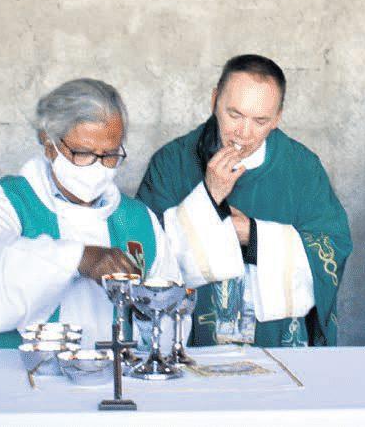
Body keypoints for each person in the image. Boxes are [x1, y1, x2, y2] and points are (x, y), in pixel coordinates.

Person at [137, 54, 351, 348]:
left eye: (260, 120)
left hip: (277, 340)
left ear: (277, 118)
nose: (244, 132)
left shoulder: (302, 168)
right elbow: (146, 254)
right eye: (234, 115)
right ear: (214, 101)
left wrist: (253, 235)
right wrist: (209, 195)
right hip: (197, 341)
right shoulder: (172, 162)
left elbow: (332, 247)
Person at [0, 78, 181, 348]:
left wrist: (147, 309)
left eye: (109, 154)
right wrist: (79, 258)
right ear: (49, 143)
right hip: (21, 378)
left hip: (115, 381)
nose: (98, 166)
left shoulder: (137, 219)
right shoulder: (9, 199)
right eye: (83, 153)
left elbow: (172, 321)